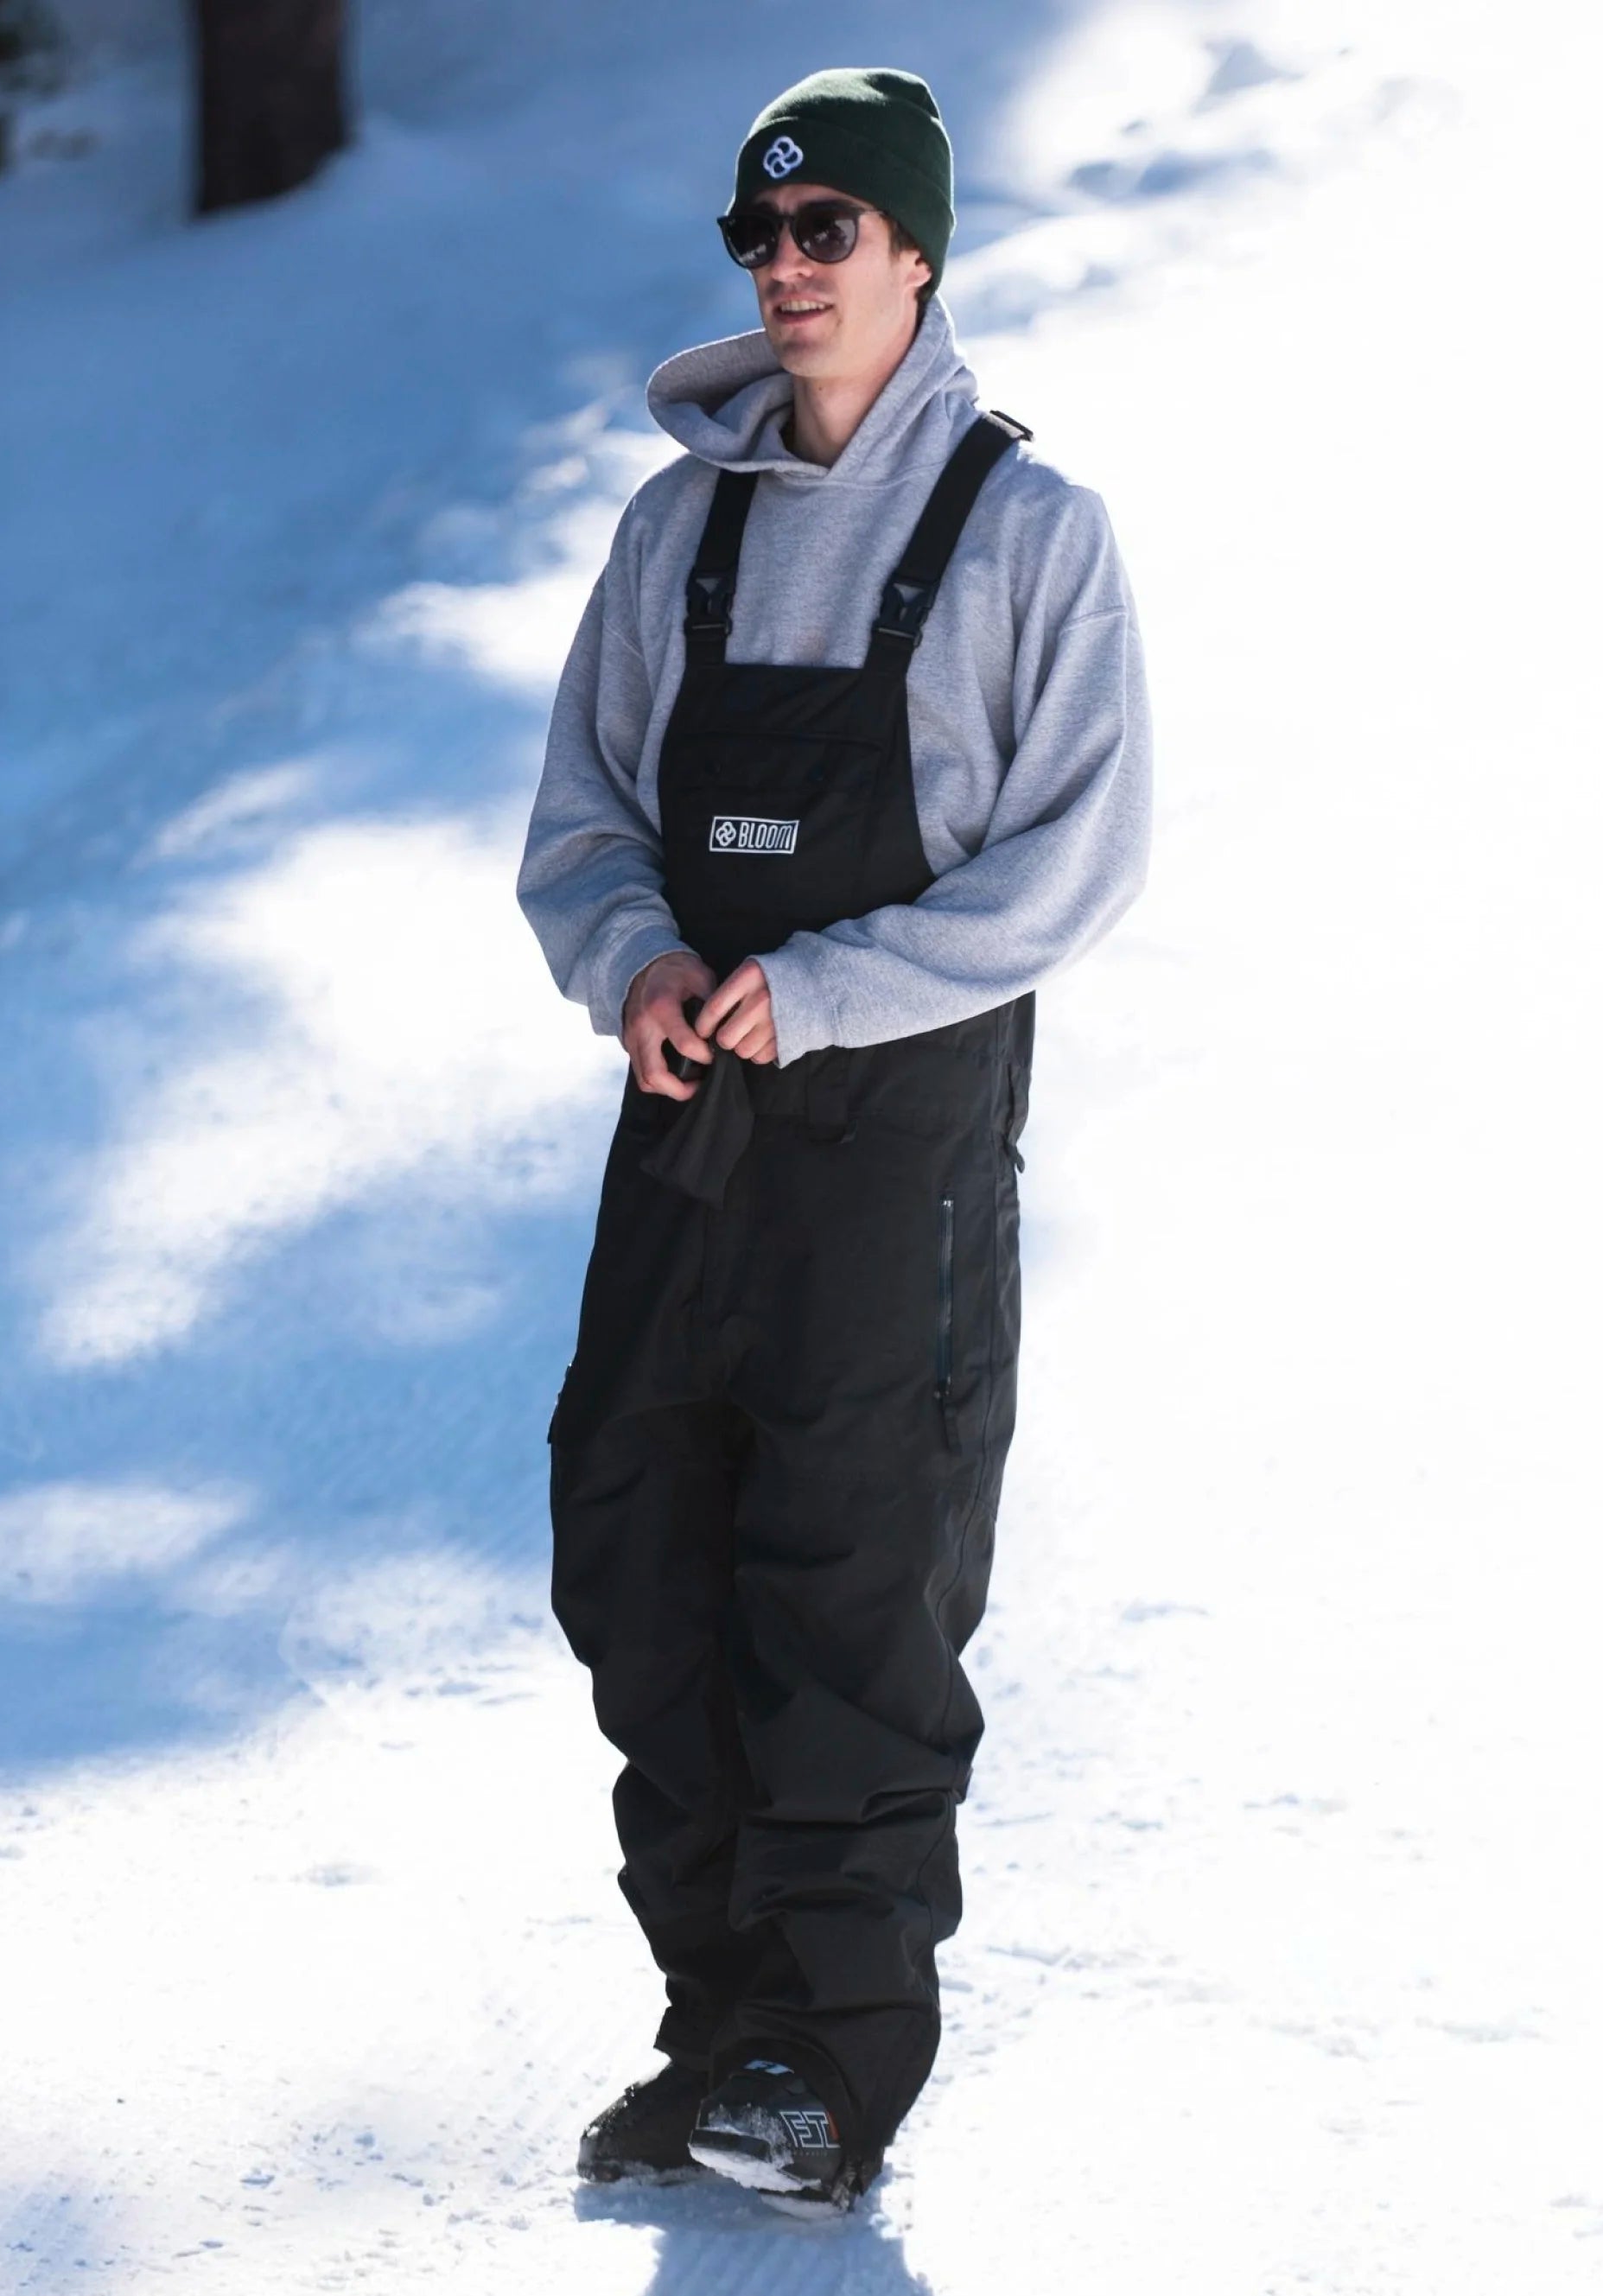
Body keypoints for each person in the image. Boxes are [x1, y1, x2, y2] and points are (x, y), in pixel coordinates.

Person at [517, 65, 1152, 2216]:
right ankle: (720, 2030)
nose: (786, 271)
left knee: (850, 1580)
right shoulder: (675, 525)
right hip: (691, 1123)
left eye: (828, 233)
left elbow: (1078, 859)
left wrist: (833, 986)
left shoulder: (1025, 535)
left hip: (897, 1138)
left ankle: (829, 2057)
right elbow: (584, 823)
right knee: (635, 1544)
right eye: (758, 237)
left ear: (916, 253)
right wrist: (636, 967)